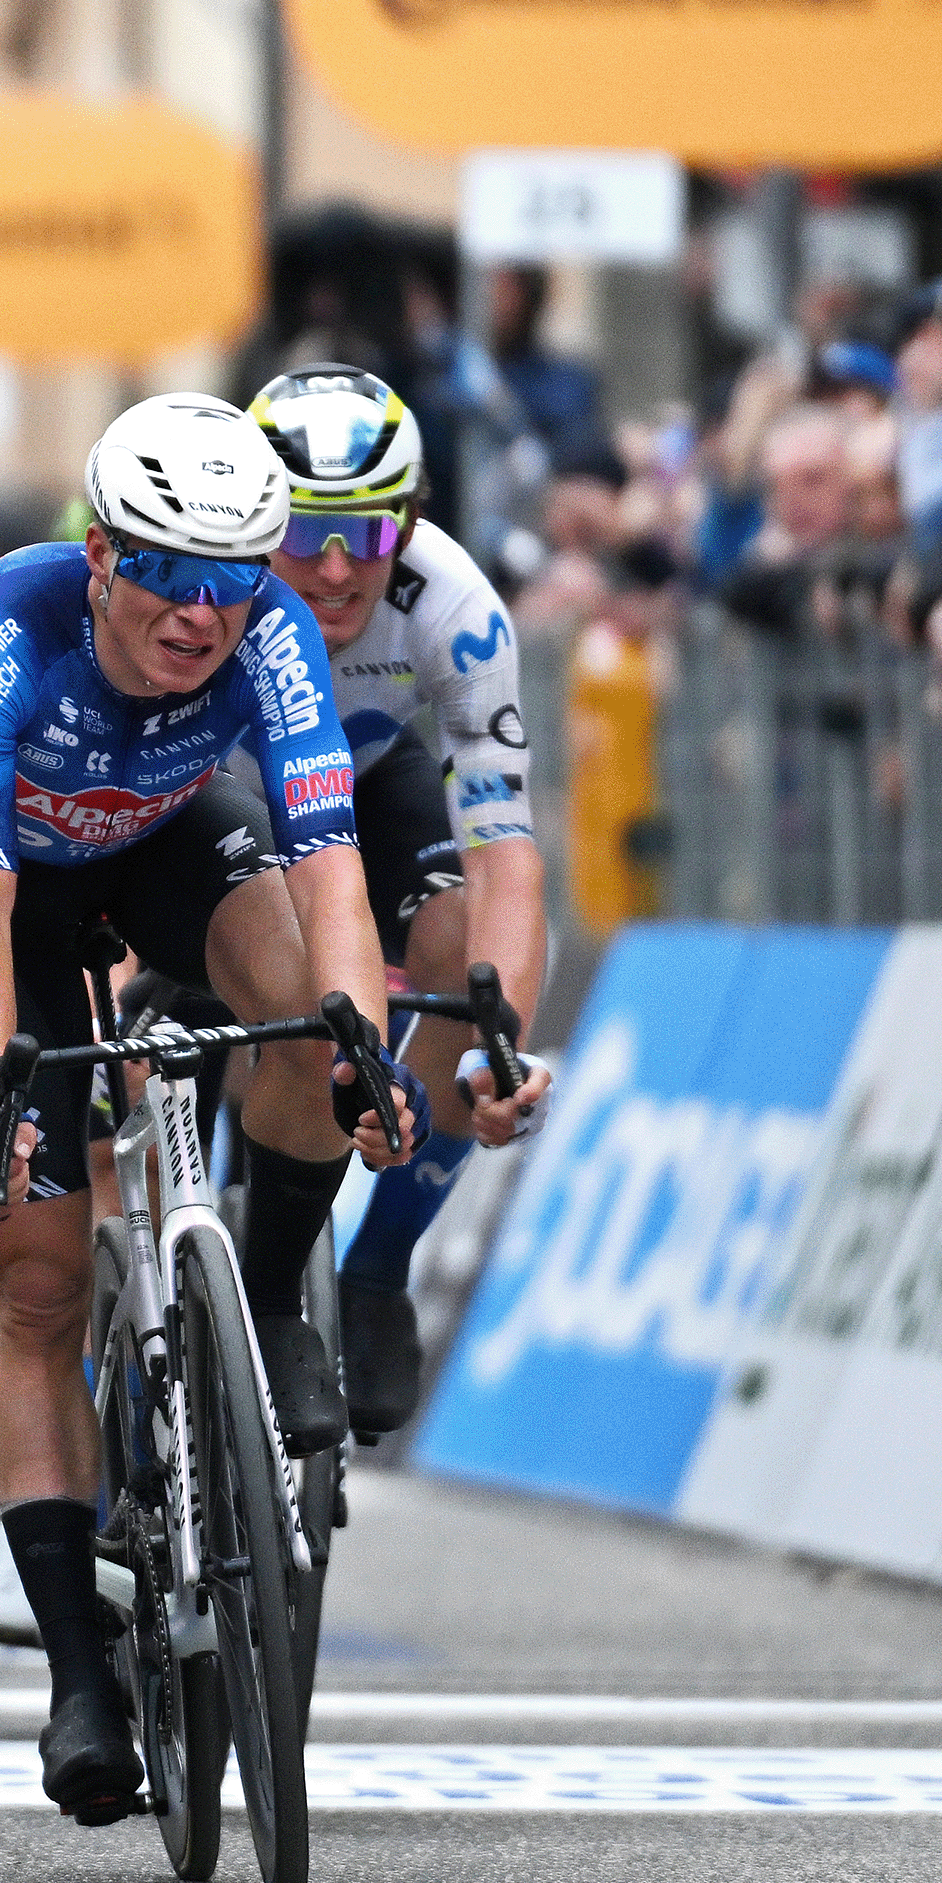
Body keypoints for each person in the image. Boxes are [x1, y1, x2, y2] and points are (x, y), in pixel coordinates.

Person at [0, 393, 419, 1819]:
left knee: (312, 1024)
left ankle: (253, 1310)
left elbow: (329, 876)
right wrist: (3, 1081)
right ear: (99, 555)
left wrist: (364, 1049)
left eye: (233, 576)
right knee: (37, 1280)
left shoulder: (268, 633)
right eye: (171, 574)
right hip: (5, 889)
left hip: (163, 840)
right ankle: (76, 1671)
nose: (202, 611)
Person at [246, 367, 557, 1435]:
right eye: (302, 531)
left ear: (409, 520)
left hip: (368, 775)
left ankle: (376, 1271)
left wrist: (492, 1049)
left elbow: (506, 852)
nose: (334, 570)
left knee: (459, 937)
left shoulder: (455, 606)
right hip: (216, 789)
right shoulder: (207, 584)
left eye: (366, 535)